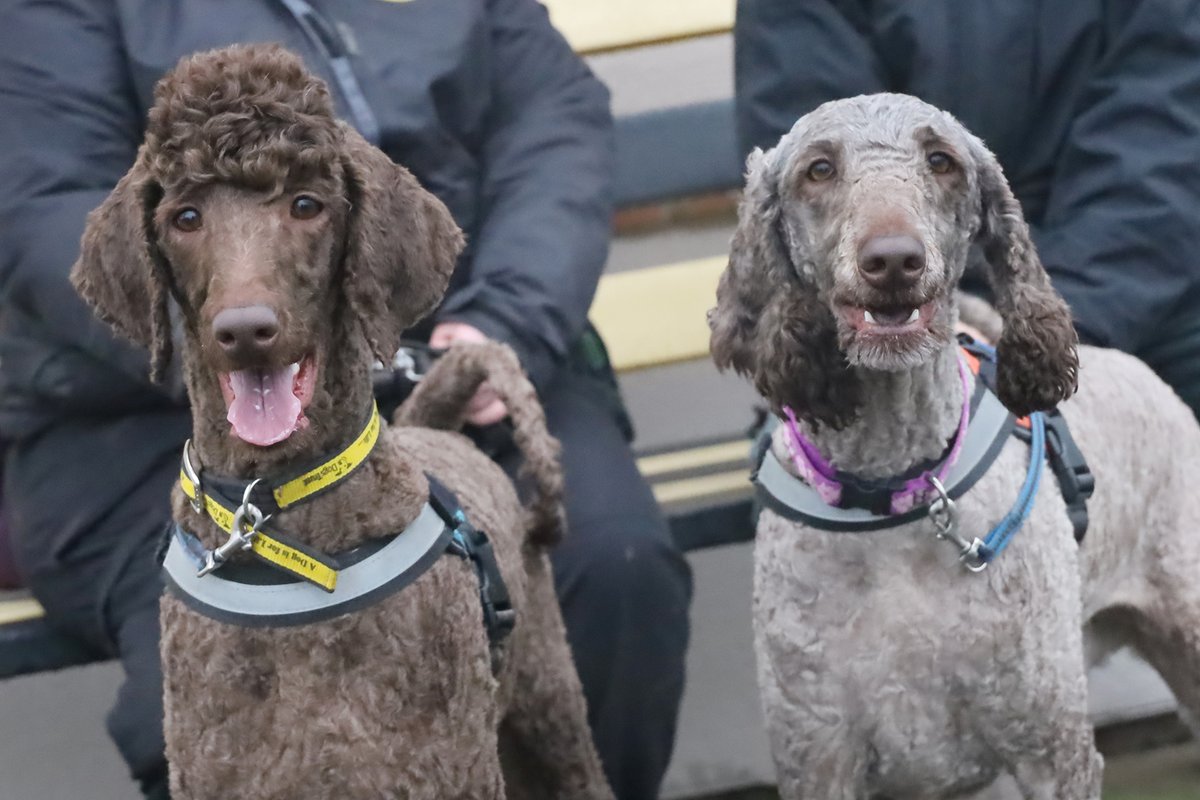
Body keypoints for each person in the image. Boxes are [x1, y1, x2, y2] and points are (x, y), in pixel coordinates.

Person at [0, 2, 692, 798]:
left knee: (616, 574)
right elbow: (42, 203)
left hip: (459, 365)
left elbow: (553, 124)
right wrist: (209, 344)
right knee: (201, 685)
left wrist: (506, 321)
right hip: (151, 427)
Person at [734, 0, 1200, 414]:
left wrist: (1037, 326)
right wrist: (963, 321)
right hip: (898, 312)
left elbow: (1162, 137)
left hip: (1144, 297)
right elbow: (815, 163)